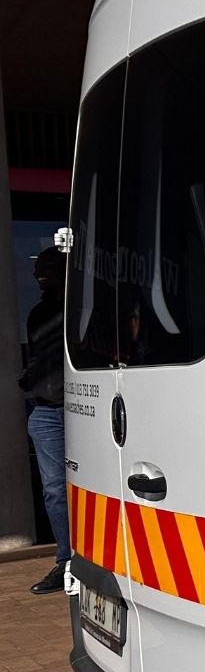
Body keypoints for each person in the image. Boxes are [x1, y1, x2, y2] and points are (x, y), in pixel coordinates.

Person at [18, 248, 69, 594]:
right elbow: (41, 357)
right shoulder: (38, 314)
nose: (39, 276)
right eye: (38, 271)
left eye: (48, 269)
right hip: (47, 412)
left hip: (85, 409)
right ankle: (66, 563)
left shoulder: (85, 309)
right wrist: (30, 380)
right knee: (55, 492)